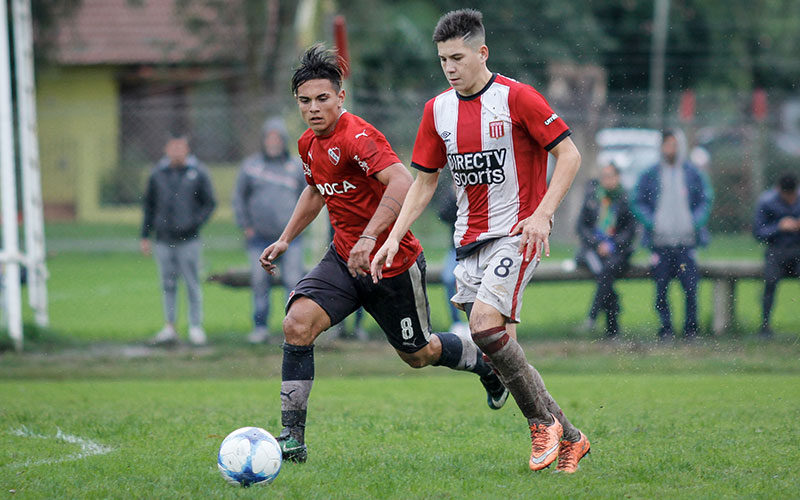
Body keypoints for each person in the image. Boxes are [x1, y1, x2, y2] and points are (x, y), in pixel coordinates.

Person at [259, 45, 508, 463]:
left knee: (420, 354)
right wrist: (286, 238)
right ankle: (292, 439)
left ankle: (485, 364)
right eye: (305, 101)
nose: (313, 108)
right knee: (297, 324)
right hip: (344, 259)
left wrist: (370, 237)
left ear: (341, 96)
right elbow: (316, 190)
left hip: (392, 265)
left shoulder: (358, 136)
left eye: (322, 98)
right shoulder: (307, 144)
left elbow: (401, 181)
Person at [371, 9, 590, 473]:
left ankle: (541, 426)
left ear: (482, 52)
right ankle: (571, 437)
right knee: (502, 354)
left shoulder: (517, 98)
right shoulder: (437, 110)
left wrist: (543, 214)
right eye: (443, 60)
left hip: (516, 235)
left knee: (484, 327)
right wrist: (394, 235)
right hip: (468, 244)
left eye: (458, 57)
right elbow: (424, 181)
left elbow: (569, 155)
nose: (449, 68)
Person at [632, 129, 713, 341]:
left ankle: (691, 329)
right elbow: (637, 200)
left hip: (687, 243)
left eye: (674, 144)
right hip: (660, 244)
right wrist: (652, 222)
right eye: (667, 144)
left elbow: (706, 199)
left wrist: (695, 222)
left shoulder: (692, 173)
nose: (670, 149)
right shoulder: (651, 174)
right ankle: (666, 329)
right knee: (661, 289)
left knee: (690, 288)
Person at [233, 117, 306, 344]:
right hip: (259, 239)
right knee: (259, 283)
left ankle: (292, 327)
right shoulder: (251, 167)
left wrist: (299, 227)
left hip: (291, 239)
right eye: (269, 137)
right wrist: (246, 225)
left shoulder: (296, 167)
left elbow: (308, 199)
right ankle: (260, 327)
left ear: (284, 140)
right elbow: (239, 198)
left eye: (277, 138)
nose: (273, 142)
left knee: (293, 282)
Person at [140, 132, 216, 346]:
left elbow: (209, 203)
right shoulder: (157, 174)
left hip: (188, 240)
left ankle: (195, 326)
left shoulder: (197, 172)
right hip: (163, 240)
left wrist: (193, 223)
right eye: (172, 147)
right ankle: (170, 327)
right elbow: (149, 206)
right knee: (168, 283)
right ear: (166, 149)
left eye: (180, 147)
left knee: (192, 283)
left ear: (187, 149)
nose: (176, 151)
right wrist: (145, 235)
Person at [575, 163, 637, 338]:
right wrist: (597, 244)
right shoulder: (593, 198)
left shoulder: (625, 199)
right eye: (604, 176)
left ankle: (593, 317)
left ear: (618, 178)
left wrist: (613, 244)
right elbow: (581, 227)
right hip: (593, 252)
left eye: (610, 176)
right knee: (605, 276)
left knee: (607, 271)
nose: (607, 180)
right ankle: (612, 328)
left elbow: (630, 230)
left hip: (617, 253)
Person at [752, 173, 800, 339]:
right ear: (779, 190)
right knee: (770, 281)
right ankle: (765, 326)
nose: (790, 199)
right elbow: (758, 232)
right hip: (776, 250)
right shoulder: (766, 202)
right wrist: (779, 227)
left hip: (798, 250)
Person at [437, 183, 470, 336]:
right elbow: (443, 215)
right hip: (456, 249)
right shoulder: (455, 196)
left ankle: (478, 322)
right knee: (449, 279)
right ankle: (457, 323)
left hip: (479, 247)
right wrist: (454, 195)